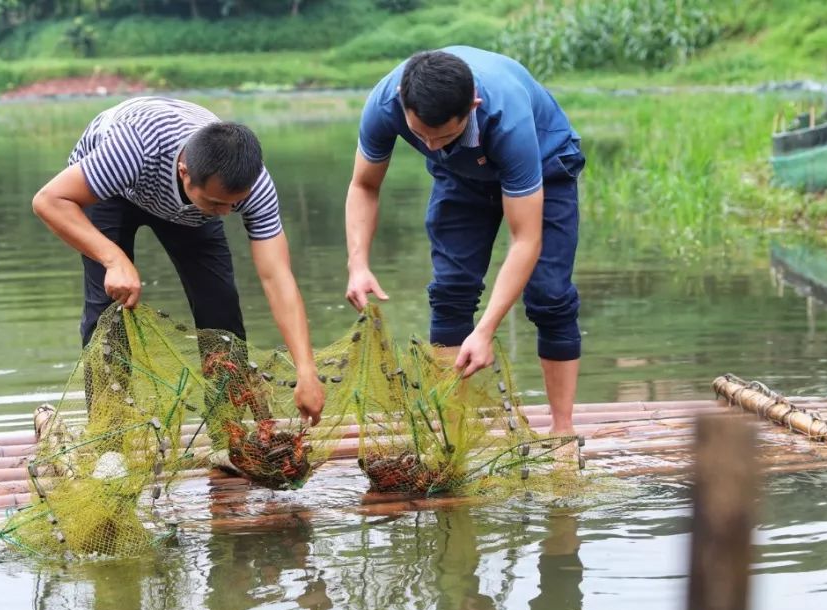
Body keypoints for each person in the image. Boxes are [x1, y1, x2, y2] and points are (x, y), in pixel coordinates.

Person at [32, 96, 324, 425]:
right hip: (112, 190)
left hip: (187, 207)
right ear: (184, 172)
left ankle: (228, 435)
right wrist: (113, 259)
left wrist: (306, 370)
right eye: (218, 204)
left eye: (234, 204)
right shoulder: (131, 149)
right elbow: (49, 200)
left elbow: (277, 277)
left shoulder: (252, 187)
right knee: (108, 313)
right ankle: (110, 439)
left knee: (221, 311)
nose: (227, 214)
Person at [344, 46, 585, 436]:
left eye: (445, 135)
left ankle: (563, 431)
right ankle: (452, 437)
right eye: (421, 136)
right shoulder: (385, 102)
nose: (432, 146)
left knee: (550, 296)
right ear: (404, 103)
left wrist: (486, 330)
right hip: (460, 176)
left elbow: (525, 240)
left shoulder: (506, 118)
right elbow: (364, 184)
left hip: (545, 163)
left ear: (472, 106)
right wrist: (358, 263)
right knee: (450, 292)